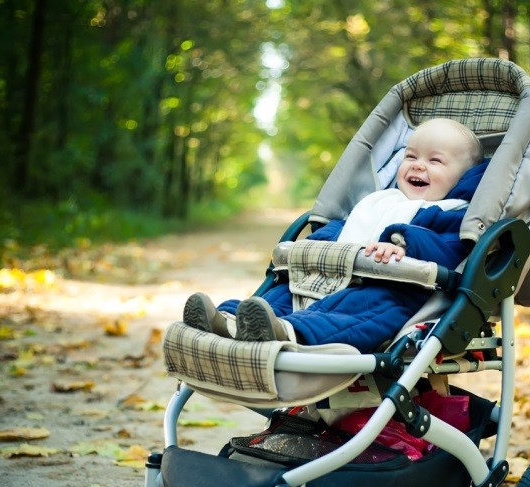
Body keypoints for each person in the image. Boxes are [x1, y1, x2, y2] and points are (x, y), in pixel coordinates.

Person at [183, 118, 484, 352]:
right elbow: (346, 227)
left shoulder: (453, 213)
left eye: (435, 161)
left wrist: (404, 241)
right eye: (410, 156)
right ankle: (231, 321)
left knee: (362, 310)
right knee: (286, 292)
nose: (418, 164)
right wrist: (321, 245)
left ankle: (289, 332)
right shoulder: (383, 201)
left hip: (397, 293)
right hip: (333, 279)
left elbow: (451, 249)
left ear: (463, 177)